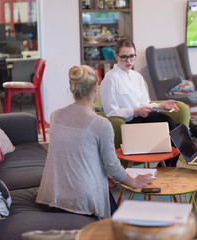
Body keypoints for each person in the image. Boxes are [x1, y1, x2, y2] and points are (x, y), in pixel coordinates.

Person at [36, 65, 153, 219]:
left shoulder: (55, 116)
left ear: (72, 89)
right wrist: (134, 182)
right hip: (80, 202)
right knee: (117, 224)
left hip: (48, 198)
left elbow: (77, 153)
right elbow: (112, 167)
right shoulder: (101, 124)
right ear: (95, 90)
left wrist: (103, 172)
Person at [100, 38, 181, 167]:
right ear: (116, 56)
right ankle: (167, 169)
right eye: (124, 57)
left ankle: (167, 168)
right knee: (171, 125)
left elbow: (145, 104)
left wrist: (161, 105)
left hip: (143, 117)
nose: (128, 61)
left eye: (132, 56)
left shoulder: (137, 76)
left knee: (178, 128)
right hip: (129, 122)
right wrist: (135, 111)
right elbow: (110, 110)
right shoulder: (110, 78)